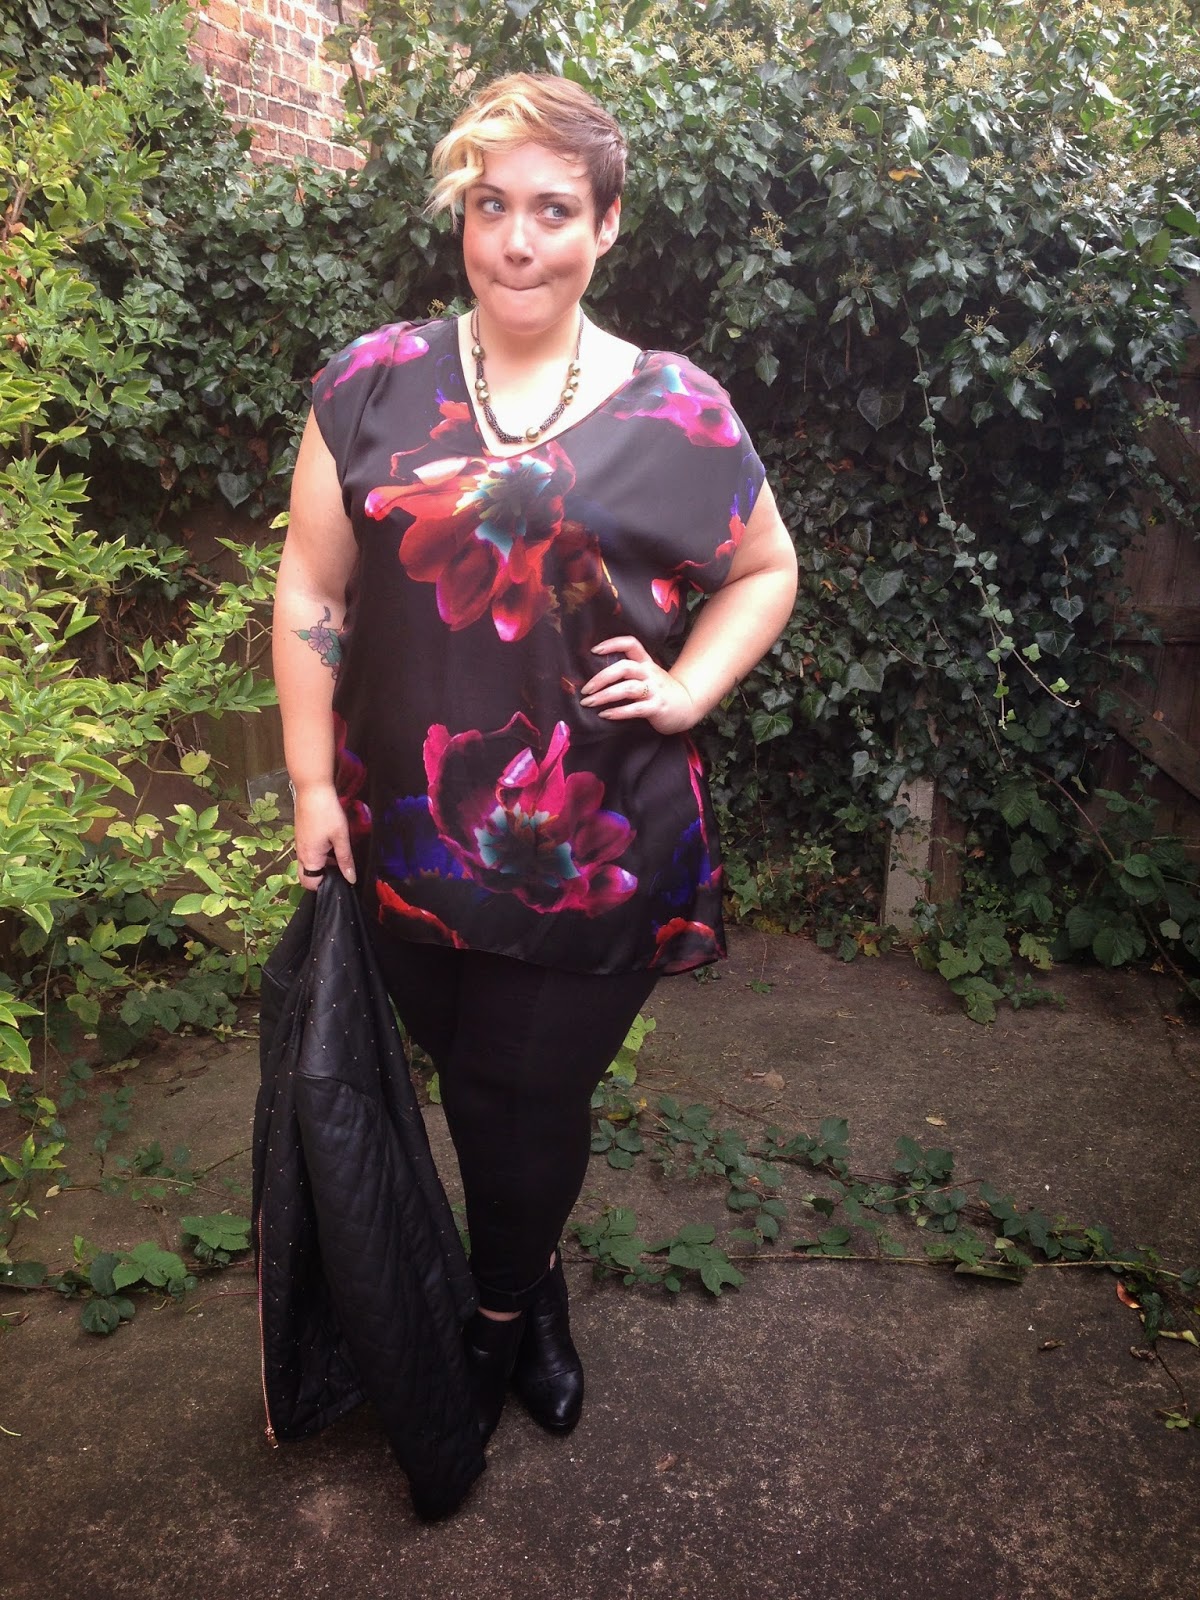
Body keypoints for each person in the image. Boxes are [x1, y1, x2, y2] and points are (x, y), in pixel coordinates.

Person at [272, 71, 798, 1450]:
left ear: (607, 225)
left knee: (528, 1091)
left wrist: (689, 687)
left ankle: (500, 1321)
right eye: (490, 205)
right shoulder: (371, 385)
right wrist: (314, 783)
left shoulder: (680, 412)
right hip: (407, 828)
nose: (517, 241)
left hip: (600, 841)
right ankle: (536, 1269)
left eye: (554, 210)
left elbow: (765, 568)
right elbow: (314, 590)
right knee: (471, 1081)